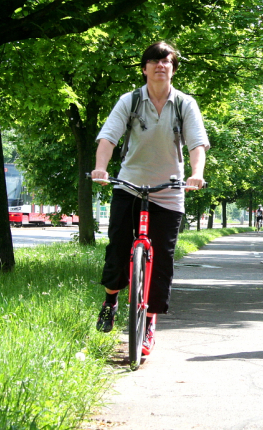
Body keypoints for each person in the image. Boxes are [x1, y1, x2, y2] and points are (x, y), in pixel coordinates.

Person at [92, 41, 209, 355]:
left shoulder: (185, 104)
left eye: (167, 61)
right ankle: (111, 301)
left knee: (161, 261)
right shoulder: (129, 101)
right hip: (128, 185)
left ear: (173, 69)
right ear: (144, 68)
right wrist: (100, 168)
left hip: (169, 191)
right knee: (117, 245)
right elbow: (108, 138)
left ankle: (149, 325)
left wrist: (196, 173)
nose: (161, 66)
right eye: (154, 61)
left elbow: (197, 144)